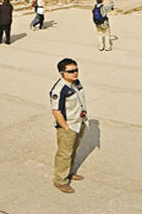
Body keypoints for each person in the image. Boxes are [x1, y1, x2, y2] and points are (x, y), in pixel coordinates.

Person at [50, 58, 88, 193]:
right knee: (64, 154)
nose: (75, 73)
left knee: (74, 150)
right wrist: (66, 128)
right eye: (71, 71)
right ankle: (60, 181)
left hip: (80, 122)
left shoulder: (76, 83)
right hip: (69, 126)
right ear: (62, 73)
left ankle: (69, 172)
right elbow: (56, 111)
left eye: (76, 70)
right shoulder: (59, 90)